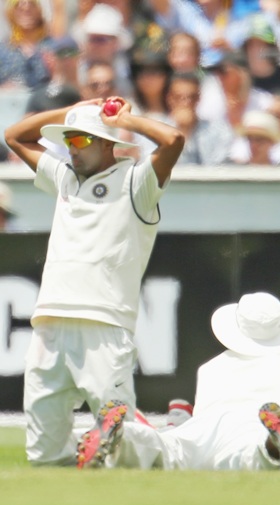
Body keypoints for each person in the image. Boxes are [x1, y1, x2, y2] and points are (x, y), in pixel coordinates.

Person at [3, 97, 185, 466]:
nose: (72, 148)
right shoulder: (66, 178)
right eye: (69, 140)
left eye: (82, 140)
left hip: (104, 324)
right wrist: (74, 111)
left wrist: (125, 120)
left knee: (123, 451)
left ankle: (177, 441)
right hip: (50, 323)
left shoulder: (137, 182)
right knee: (44, 457)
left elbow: (173, 140)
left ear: (107, 143)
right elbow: (14, 137)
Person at [75, 292, 280, 472]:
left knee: (167, 450)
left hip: (200, 430)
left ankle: (123, 437)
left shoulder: (209, 368)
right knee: (249, 458)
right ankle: (273, 445)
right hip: (250, 429)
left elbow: (201, 424)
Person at [166, 72, 233, 165]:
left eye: (191, 97)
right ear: (170, 98)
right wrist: (183, 131)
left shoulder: (218, 132)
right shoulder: (155, 129)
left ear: (198, 98)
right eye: (179, 97)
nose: (186, 103)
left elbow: (218, 169)